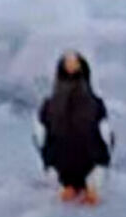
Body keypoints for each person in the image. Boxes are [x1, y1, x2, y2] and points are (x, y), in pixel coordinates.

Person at [34, 51, 114, 204]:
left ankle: (92, 186)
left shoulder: (95, 106)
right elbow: (41, 141)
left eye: (75, 62)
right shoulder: (49, 106)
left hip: (93, 169)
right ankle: (65, 185)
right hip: (59, 171)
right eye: (68, 62)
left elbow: (107, 140)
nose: (71, 64)